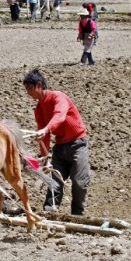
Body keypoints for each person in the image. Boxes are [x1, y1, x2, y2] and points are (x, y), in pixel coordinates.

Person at [23, 69, 91, 215]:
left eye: (30, 88)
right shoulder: (39, 109)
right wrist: (45, 158)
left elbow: (59, 116)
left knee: (80, 182)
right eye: (26, 89)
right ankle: (49, 211)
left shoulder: (58, 97)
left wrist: (46, 129)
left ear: (39, 85)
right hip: (60, 147)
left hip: (78, 144)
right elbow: (44, 136)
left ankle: (77, 214)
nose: (28, 92)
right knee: (54, 182)